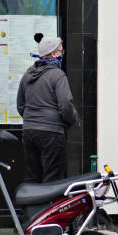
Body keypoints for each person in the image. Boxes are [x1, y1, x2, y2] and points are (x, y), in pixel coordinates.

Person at [16, 33, 78, 183]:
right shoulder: (57, 75)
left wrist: (33, 120)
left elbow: (20, 105)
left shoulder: (28, 74)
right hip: (51, 133)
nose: (62, 54)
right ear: (53, 54)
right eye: (60, 51)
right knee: (53, 178)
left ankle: (33, 206)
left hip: (29, 131)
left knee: (33, 176)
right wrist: (69, 122)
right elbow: (66, 105)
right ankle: (49, 206)